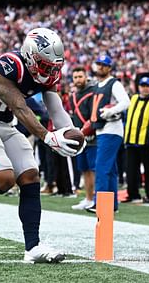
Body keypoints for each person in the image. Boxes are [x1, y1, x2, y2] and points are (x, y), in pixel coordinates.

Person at [0, 28, 84, 263]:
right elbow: (20, 107)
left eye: (53, 66)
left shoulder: (47, 75)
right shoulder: (9, 65)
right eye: (45, 64)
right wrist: (49, 137)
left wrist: (67, 134)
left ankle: (33, 247)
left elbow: (55, 108)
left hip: (6, 125)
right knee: (4, 181)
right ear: (30, 55)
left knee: (30, 176)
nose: (49, 71)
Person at [85, 55, 130, 213]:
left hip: (111, 128)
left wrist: (111, 110)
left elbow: (125, 101)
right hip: (102, 128)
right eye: (99, 64)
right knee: (110, 169)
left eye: (104, 65)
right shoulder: (98, 84)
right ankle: (112, 205)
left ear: (110, 68)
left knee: (102, 166)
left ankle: (101, 203)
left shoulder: (114, 83)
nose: (100, 67)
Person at [123, 77, 149, 203]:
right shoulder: (133, 99)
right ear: (138, 87)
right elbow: (127, 117)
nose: (144, 88)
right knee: (131, 169)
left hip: (146, 142)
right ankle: (132, 194)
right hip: (131, 141)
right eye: (142, 86)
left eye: (147, 86)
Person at [69, 67, 97, 210]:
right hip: (80, 138)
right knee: (84, 169)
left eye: (80, 76)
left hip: (93, 137)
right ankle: (88, 198)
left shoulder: (93, 92)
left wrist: (87, 129)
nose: (78, 80)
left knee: (93, 169)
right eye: (75, 77)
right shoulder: (72, 96)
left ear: (86, 77)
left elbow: (94, 115)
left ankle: (96, 199)